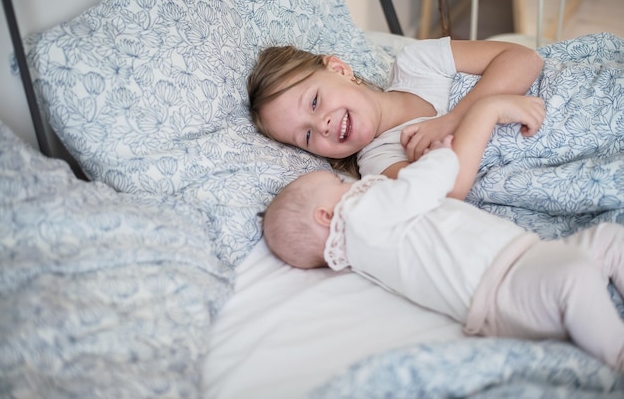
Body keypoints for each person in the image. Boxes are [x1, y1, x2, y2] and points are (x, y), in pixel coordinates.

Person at [260, 133, 624, 374]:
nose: (349, 183)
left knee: (606, 240)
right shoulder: (358, 216)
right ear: (326, 216)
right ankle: (617, 355)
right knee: (575, 275)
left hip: (526, 261)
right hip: (504, 287)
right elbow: (421, 190)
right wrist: (441, 157)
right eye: (338, 183)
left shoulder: (366, 242)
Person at [246, 38, 544, 187]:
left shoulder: (417, 63)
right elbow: (446, 191)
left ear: (339, 70)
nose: (321, 124)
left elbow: (525, 58)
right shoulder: (377, 162)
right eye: (307, 135)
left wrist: (455, 119)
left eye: (313, 102)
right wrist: (489, 110)